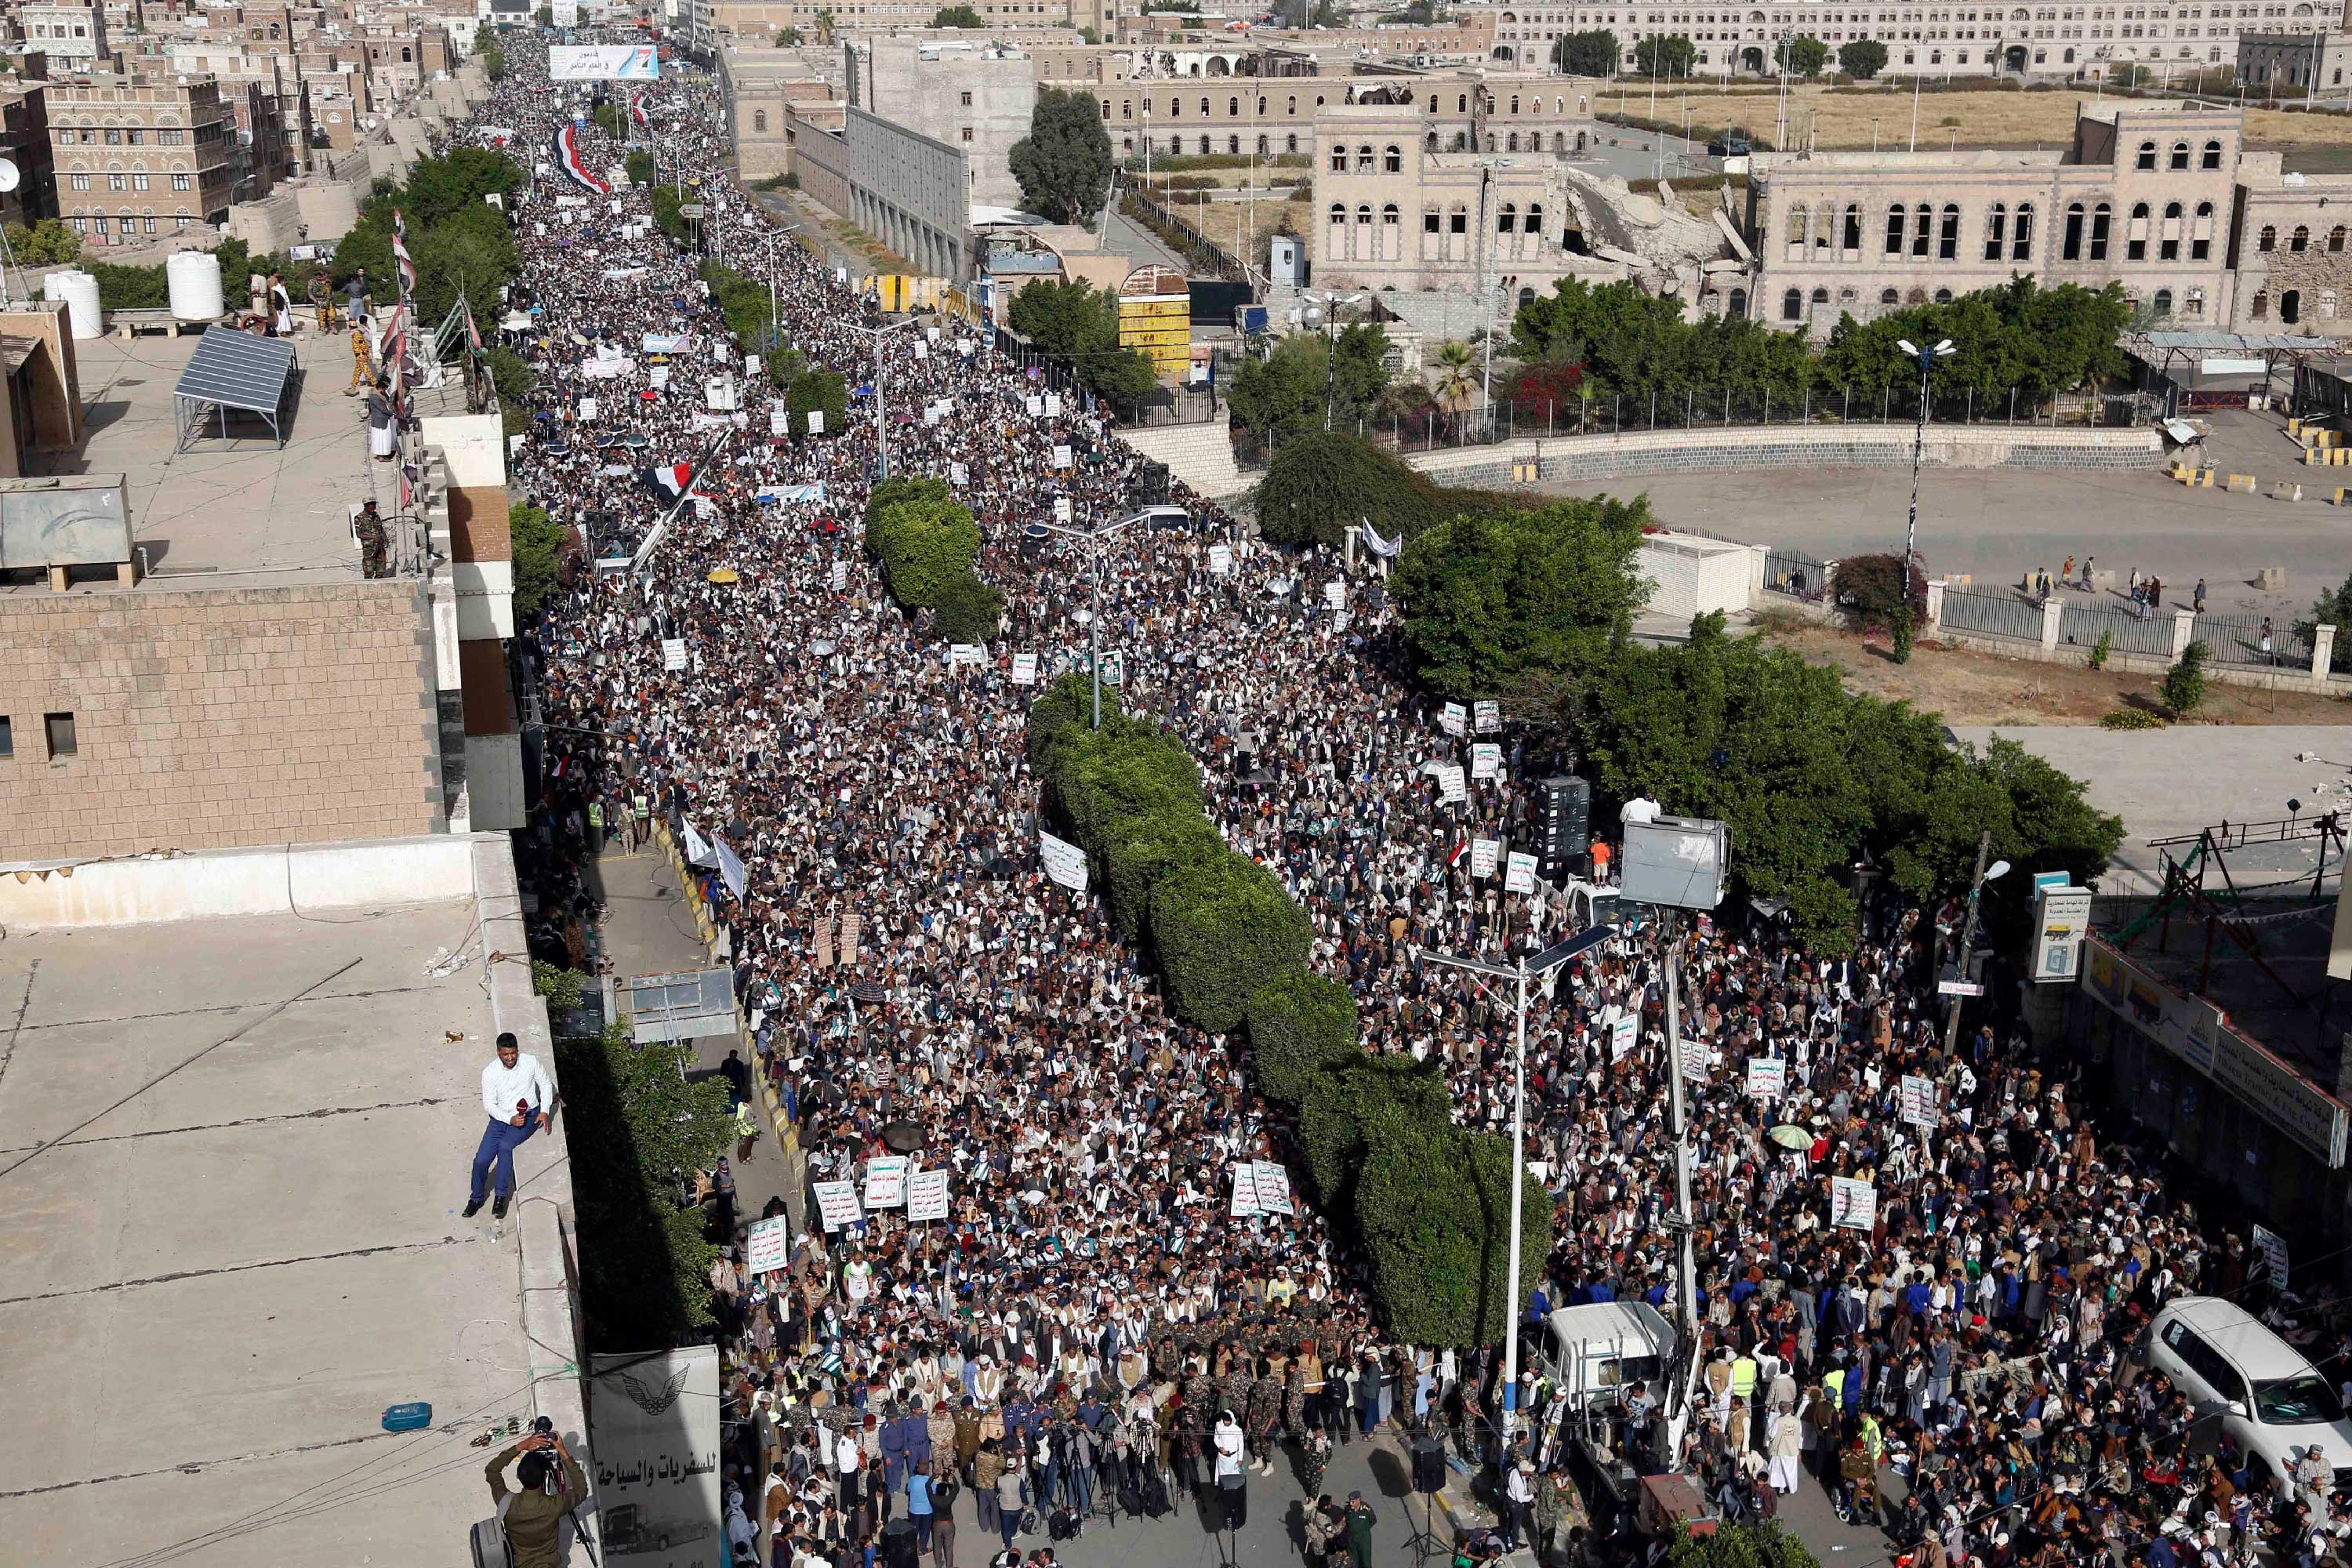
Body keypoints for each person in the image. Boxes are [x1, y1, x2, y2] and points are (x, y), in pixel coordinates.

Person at [465, 1030, 554, 1221]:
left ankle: (501, 1197)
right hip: (500, 1120)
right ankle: (476, 1198)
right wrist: (509, 1119)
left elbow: (545, 1084)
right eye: (506, 1054)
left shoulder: (530, 1062)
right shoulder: (490, 1072)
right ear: (499, 1053)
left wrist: (544, 1110)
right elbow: (489, 1104)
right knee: (481, 1160)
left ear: (517, 1050)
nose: (510, 1058)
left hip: (528, 1117)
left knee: (505, 1147)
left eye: (513, 1053)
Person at [484, 1427, 586, 1568]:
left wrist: (521, 1446)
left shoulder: (506, 1502)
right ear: (545, 1476)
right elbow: (581, 1490)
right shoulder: (554, 1505)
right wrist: (562, 1451)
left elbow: (492, 1469)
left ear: (518, 1477)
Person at [355, 498, 388, 579]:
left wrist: (385, 538)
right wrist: (373, 537)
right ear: (366, 506)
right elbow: (359, 534)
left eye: (374, 504)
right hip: (369, 548)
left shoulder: (376, 516)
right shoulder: (359, 518)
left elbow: (380, 529)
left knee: (380, 570)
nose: (374, 506)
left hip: (379, 546)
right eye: (371, 504)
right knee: (369, 570)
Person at [1343, 1490, 1377, 1568]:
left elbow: (1373, 1520)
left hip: (1363, 1538)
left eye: (1353, 1501)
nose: (1351, 1503)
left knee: (1365, 1561)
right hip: (1351, 1538)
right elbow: (1346, 1521)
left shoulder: (1366, 1509)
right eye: (1350, 1501)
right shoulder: (1348, 1509)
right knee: (1353, 1560)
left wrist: (1363, 1529)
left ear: (1358, 1500)